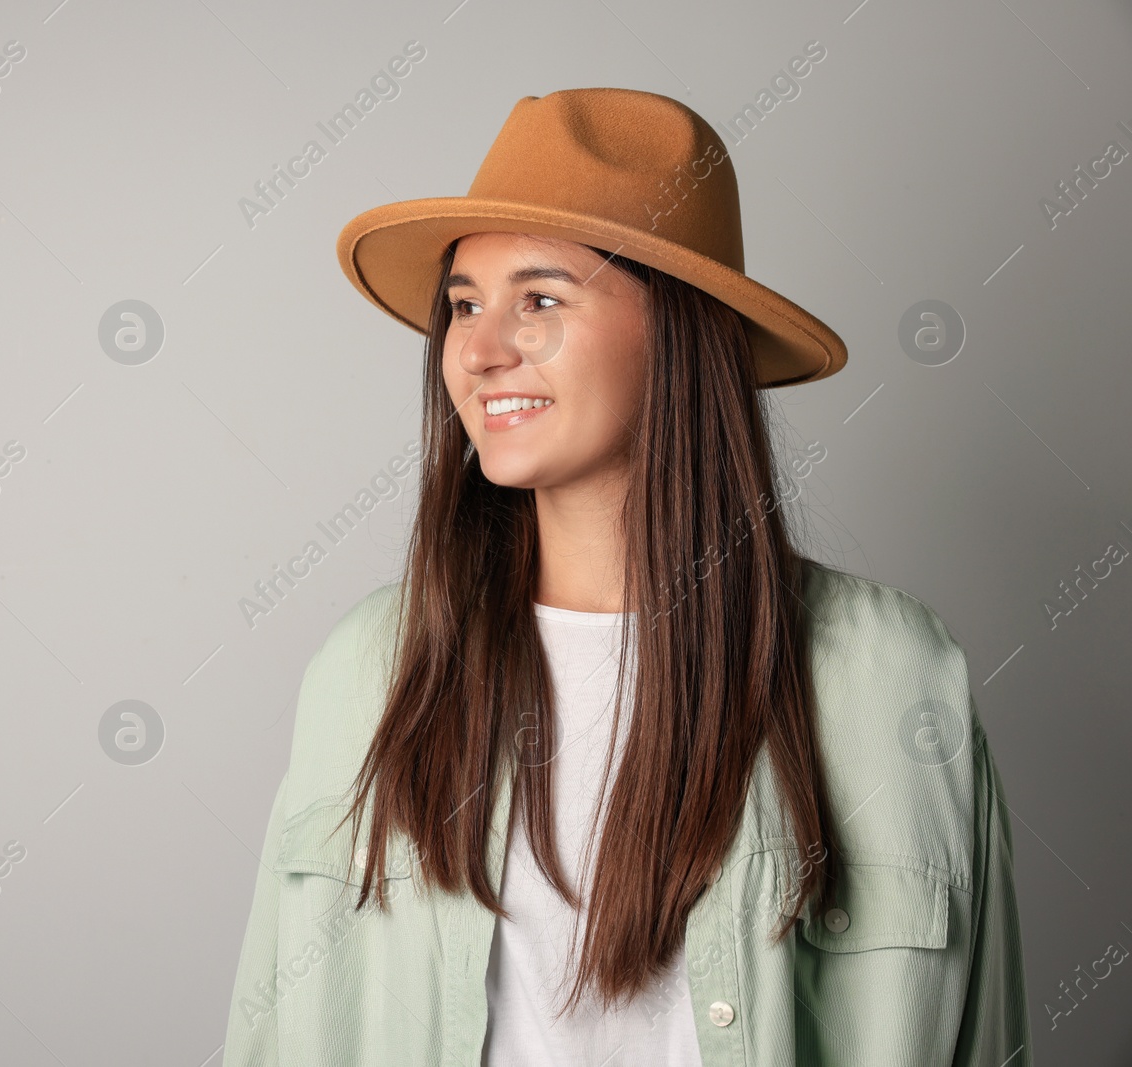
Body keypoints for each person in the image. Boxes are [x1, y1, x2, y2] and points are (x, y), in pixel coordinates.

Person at [220, 87, 1029, 1067]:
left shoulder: (892, 677)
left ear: (677, 331)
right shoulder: (369, 668)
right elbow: (269, 1034)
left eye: (541, 299)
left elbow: (984, 1039)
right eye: (464, 303)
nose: (475, 350)